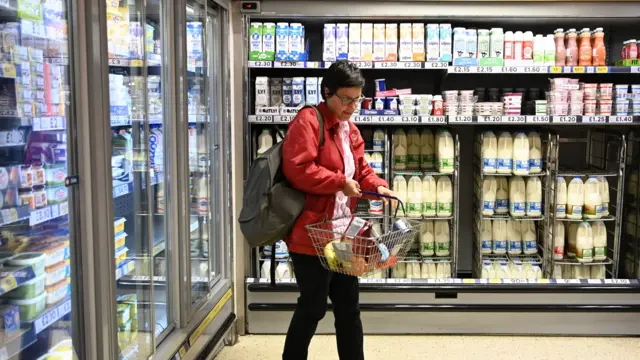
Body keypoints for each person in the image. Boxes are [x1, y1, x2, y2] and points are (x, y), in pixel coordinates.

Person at [281, 60, 396, 360]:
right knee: (313, 306)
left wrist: (378, 186)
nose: (351, 106)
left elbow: (361, 168)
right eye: (345, 99)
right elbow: (299, 169)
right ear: (327, 92)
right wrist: (339, 183)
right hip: (311, 235)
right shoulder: (308, 121)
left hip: (343, 234)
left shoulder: (349, 129)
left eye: (357, 99)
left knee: (348, 307)